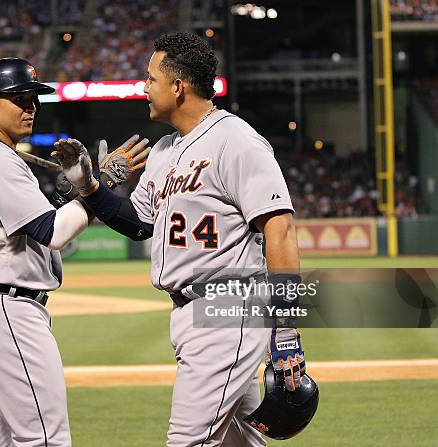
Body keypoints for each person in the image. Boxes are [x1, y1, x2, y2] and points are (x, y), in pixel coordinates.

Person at [54, 32, 308, 446]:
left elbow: (280, 230)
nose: (144, 87)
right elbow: (139, 222)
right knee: (239, 441)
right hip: (194, 314)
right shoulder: (164, 151)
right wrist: (91, 189)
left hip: (227, 309)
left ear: (178, 87)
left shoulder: (236, 140)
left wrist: (286, 330)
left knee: (187, 440)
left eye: (150, 78)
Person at [0, 57, 149, 446]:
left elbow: (36, 223)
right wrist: (97, 185)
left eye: (33, 99)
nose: (31, 107)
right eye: (19, 99)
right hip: (6, 310)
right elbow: (53, 231)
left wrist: (79, 190)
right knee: (44, 437)